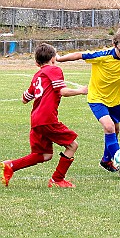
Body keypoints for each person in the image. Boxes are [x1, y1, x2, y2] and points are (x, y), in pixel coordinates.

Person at [56, 27, 120, 177]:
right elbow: (80, 55)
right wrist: (60, 59)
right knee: (109, 126)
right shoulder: (103, 56)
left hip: (114, 101)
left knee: (115, 130)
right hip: (96, 99)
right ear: (115, 44)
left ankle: (106, 160)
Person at [1, 43, 88, 188]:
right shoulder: (54, 69)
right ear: (53, 58)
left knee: (44, 155)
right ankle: (57, 180)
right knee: (72, 145)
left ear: (36, 63)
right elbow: (62, 91)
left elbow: (24, 99)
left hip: (36, 120)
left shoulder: (37, 76)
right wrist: (81, 90)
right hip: (47, 119)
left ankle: (10, 165)